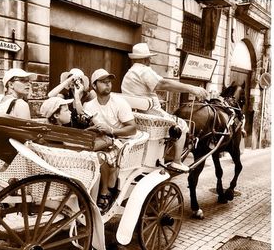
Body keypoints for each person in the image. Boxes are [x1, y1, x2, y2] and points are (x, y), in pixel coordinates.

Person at [121, 42, 208, 172]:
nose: (150, 60)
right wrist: (192, 88)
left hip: (136, 116)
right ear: (145, 59)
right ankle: (177, 161)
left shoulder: (129, 73)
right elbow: (163, 83)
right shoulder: (144, 70)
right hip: (151, 116)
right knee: (182, 126)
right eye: (149, 57)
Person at [84, 68, 137, 213]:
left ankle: (105, 192)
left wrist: (111, 130)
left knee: (100, 157)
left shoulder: (119, 103)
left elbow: (132, 129)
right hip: (99, 140)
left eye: (109, 82)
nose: (108, 84)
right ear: (94, 86)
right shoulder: (88, 106)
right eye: (103, 82)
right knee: (82, 155)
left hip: (119, 141)